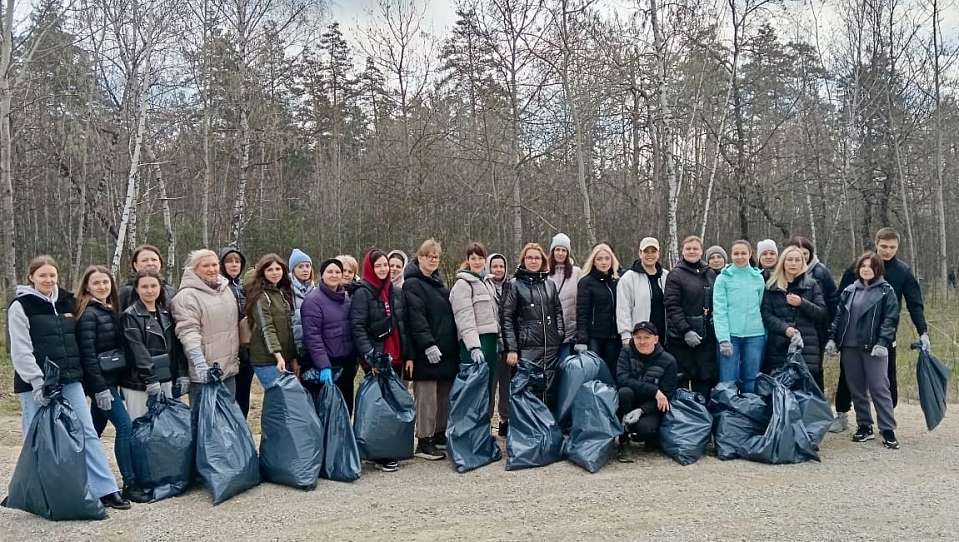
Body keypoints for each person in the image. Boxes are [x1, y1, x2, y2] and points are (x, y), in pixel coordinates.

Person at [7, 255, 129, 509]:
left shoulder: (67, 301)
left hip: (70, 379)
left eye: (52, 275)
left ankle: (105, 488)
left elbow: (89, 324)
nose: (48, 280)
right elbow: (20, 349)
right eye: (43, 275)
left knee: (86, 432)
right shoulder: (21, 306)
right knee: (38, 437)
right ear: (31, 277)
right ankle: (36, 491)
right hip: (36, 383)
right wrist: (37, 380)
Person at [832, 227, 929, 432]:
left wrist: (923, 332)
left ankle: (887, 422)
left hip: (884, 336)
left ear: (897, 247)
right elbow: (840, 300)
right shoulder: (857, 267)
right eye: (883, 246)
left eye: (892, 247)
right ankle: (842, 415)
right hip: (854, 336)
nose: (887, 251)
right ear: (876, 244)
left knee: (887, 379)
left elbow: (915, 303)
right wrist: (834, 335)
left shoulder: (903, 272)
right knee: (847, 377)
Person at [76, 265, 139, 503]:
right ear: (87, 287)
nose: (102, 287)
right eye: (96, 283)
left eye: (106, 282)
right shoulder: (89, 314)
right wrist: (99, 389)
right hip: (102, 384)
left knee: (92, 432)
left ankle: (80, 475)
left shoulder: (109, 310)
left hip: (112, 380)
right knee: (124, 427)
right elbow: (88, 356)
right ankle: (130, 483)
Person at [826, 252, 900, 449]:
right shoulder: (850, 290)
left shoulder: (886, 291)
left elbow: (890, 319)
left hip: (873, 347)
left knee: (879, 388)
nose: (866, 269)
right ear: (858, 269)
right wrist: (833, 339)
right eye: (863, 266)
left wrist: (883, 342)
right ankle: (864, 426)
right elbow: (839, 316)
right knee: (856, 388)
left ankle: (887, 429)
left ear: (877, 269)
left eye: (871, 266)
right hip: (849, 347)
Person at [350, 248, 411, 472]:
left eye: (385, 265)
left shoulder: (394, 291)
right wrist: (370, 358)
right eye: (378, 266)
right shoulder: (363, 293)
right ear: (370, 268)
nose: (384, 269)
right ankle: (377, 451)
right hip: (376, 358)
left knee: (394, 404)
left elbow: (402, 324)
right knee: (378, 406)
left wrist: (407, 354)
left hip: (395, 355)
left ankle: (392, 447)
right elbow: (357, 327)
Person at [402, 239, 459, 461]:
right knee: (427, 396)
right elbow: (416, 318)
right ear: (420, 258)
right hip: (426, 351)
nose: (433, 260)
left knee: (443, 395)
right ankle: (424, 439)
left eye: (436, 256)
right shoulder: (412, 284)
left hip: (446, 350)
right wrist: (427, 344)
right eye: (429, 256)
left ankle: (438, 434)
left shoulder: (439, 284)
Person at [170, 249, 240, 401]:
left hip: (228, 371)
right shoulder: (187, 296)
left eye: (214, 265)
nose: (212, 269)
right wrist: (201, 364)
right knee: (205, 421)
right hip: (206, 373)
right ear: (194, 269)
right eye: (206, 266)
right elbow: (188, 333)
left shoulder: (225, 289)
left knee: (228, 421)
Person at [501, 242, 565, 410]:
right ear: (523, 260)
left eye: (537, 258)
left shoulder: (549, 284)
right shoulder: (514, 285)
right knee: (527, 387)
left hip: (550, 345)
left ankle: (547, 426)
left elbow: (557, 310)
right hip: (527, 346)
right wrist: (512, 348)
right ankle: (527, 429)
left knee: (549, 386)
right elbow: (506, 317)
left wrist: (559, 333)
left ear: (542, 260)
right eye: (529, 257)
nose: (533, 261)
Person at [760, 246, 828, 388]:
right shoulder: (772, 286)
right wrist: (785, 329)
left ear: (803, 263)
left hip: (806, 345)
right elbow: (766, 315)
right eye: (789, 260)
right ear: (783, 262)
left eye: (797, 260)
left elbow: (822, 313)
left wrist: (802, 303)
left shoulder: (812, 285)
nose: (793, 263)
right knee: (780, 389)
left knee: (805, 390)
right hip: (779, 346)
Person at [121, 271, 184, 421]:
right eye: (144, 287)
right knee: (141, 428)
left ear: (160, 287)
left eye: (153, 286)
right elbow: (137, 350)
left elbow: (175, 348)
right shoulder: (130, 315)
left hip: (165, 378)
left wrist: (181, 374)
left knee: (166, 428)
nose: (149, 290)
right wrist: (151, 379)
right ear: (137, 289)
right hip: (139, 382)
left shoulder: (165, 313)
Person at [615, 322, 678, 462]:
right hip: (629, 401)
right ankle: (623, 441)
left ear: (655, 339)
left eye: (646, 337)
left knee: (645, 429)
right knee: (623, 392)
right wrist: (654, 390)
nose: (642, 341)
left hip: (651, 407)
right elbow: (622, 379)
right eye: (638, 337)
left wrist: (642, 410)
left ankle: (652, 438)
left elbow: (667, 395)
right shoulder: (626, 352)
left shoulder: (669, 361)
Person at [663, 235, 717, 398]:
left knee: (705, 377)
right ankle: (684, 415)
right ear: (683, 251)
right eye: (688, 248)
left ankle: (704, 415)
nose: (692, 251)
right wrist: (686, 330)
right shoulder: (675, 275)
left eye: (695, 248)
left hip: (706, 336)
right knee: (683, 379)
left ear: (701, 251)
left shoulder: (710, 273)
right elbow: (672, 305)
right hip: (681, 338)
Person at [450, 242, 500, 415]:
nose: (477, 262)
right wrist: (474, 346)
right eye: (473, 258)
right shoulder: (463, 284)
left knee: (487, 388)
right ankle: (469, 432)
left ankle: (482, 430)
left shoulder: (487, 282)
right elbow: (464, 317)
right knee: (472, 390)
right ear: (467, 260)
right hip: (475, 344)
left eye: (480, 258)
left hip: (491, 342)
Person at [301, 258, 357, 414]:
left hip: (345, 365)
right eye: (330, 272)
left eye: (338, 272)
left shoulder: (345, 298)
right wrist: (324, 365)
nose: (334, 275)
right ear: (322, 275)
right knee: (327, 412)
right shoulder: (313, 300)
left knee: (345, 410)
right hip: (326, 365)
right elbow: (313, 337)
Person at [713, 240, 766, 394]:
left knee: (751, 377)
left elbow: (761, 306)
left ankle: (749, 411)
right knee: (728, 379)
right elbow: (719, 310)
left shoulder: (758, 278)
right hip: (730, 336)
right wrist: (723, 339)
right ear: (731, 255)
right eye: (736, 253)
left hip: (755, 335)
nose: (740, 257)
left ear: (750, 254)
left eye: (744, 253)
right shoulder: (723, 278)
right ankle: (727, 414)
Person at [244, 254, 298, 389]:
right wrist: (278, 356)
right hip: (267, 360)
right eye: (270, 270)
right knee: (278, 401)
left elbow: (288, 329)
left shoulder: (280, 293)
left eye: (278, 269)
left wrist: (293, 357)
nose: (275, 273)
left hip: (284, 358)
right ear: (263, 273)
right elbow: (266, 327)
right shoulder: (261, 296)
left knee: (286, 403)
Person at [574, 243, 621, 378]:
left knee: (613, 373)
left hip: (614, 336)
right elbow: (582, 312)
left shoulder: (617, 281)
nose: (604, 262)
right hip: (595, 337)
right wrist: (582, 339)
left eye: (607, 258)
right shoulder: (586, 282)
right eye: (599, 259)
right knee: (596, 372)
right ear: (594, 262)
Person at [616, 237, 669, 349]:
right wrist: (625, 336)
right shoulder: (628, 278)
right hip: (640, 339)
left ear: (658, 254)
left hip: (664, 336)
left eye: (653, 251)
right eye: (646, 251)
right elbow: (623, 309)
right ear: (640, 253)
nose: (650, 255)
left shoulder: (666, 276)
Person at [220, 246, 253, 418]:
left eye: (237, 261)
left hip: (246, 350)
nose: (234, 265)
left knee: (243, 397)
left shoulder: (244, 287)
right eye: (229, 261)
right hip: (225, 350)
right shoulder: (218, 287)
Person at [486, 252, 511, 436]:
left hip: (509, 344)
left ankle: (505, 420)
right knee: (489, 386)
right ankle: (485, 422)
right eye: (494, 266)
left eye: (501, 266)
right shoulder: (484, 286)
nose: (498, 269)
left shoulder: (511, 287)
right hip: (491, 343)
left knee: (507, 386)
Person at [547, 233, 581, 361]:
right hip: (549, 333)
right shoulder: (544, 272)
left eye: (564, 250)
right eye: (557, 249)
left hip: (570, 333)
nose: (560, 253)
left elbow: (580, 303)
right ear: (552, 251)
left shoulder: (577, 273)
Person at [118, 244, 177, 310]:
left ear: (160, 263)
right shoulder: (126, 292)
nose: (150, 263)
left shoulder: (170, 291)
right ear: (135, 265)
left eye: (154, 260)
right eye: (144, 260)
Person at [288, 248, 314, 362]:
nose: (305, 270)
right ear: (293, 270)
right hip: (293, 348)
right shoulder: (287, 291)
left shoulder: (315, 289)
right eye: (300, 267)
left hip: (312, 346)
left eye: (307, 266)